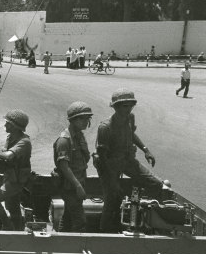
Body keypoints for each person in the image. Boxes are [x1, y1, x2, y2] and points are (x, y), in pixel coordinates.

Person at [94, 88, 165, 233]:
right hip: (109, 164)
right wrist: (112, 182)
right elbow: (102, 158)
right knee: (111, 198)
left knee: (156, 183)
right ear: (115, 107)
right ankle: (105, 231)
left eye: (130, 105)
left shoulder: (130, 118)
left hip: (128, 161)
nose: (128, 109)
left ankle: (137, 213)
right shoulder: (105, 127)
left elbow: (131, 134)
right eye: (124, 106)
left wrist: (146, 150)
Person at [0, 110, 32, 231]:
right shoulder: (10, 137)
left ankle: (7, 225)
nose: (5, 125)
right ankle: (18, 230)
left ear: (15, 126)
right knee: (13, 208)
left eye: (8, 123)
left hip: (16, 181)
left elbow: (8, 155)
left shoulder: (24, 142)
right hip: (9, 178)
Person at [53, 102, 94, 232]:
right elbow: (64, 167)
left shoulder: (79, 136)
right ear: (73, 119)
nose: (86, 121)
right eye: (82, 118)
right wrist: (78, 186)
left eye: (87, 118)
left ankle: (62, 240)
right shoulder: (64, 140)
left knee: (68, 216)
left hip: (78, 182)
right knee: (80, 221)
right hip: (70, 186)